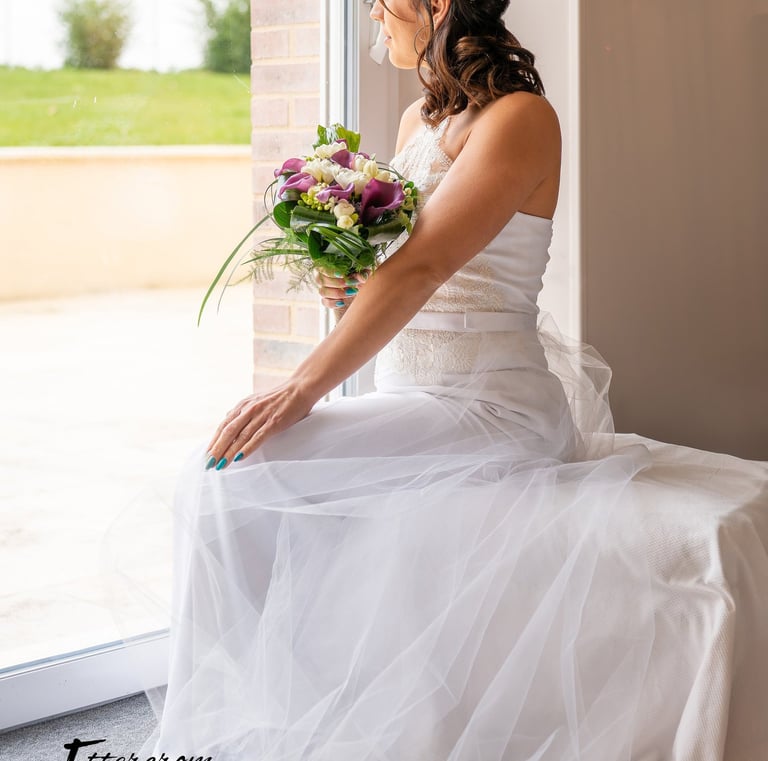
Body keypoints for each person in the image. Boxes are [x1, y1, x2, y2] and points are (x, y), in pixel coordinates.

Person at [107, 1, 768, 760]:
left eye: (386, 0)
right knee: (224, 478)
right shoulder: (415, 123)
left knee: (223, 477)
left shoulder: (521, 119)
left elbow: (425, 267)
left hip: (492, 407)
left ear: (438, 5)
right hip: (413, 394)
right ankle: (239, 725)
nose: (372, 12)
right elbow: (403, 271)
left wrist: (301, 389)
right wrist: (349, 281)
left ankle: (213, 738)